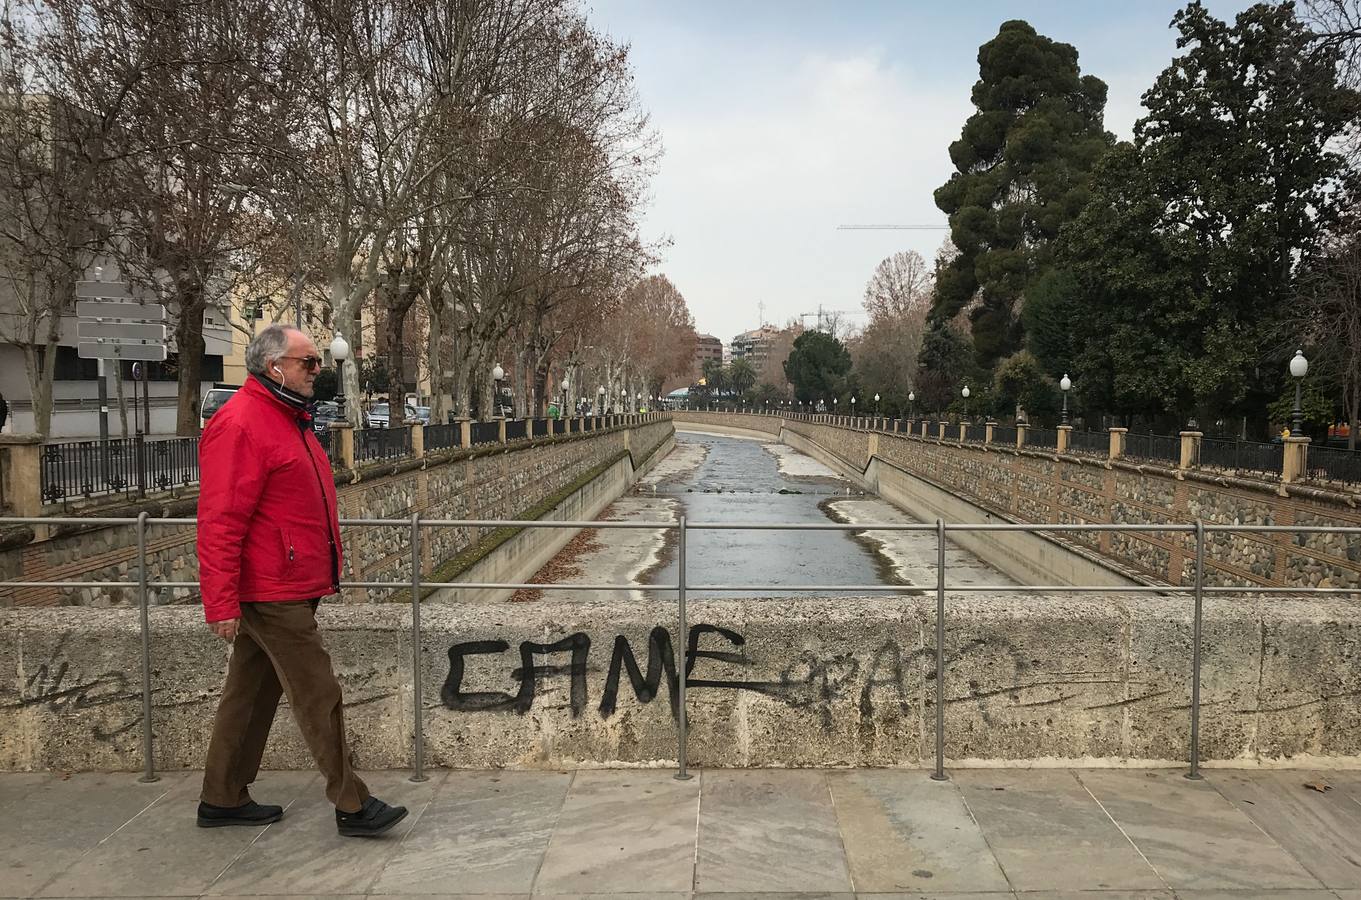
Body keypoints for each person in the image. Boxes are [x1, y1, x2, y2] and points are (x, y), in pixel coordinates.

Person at [196, 324, 407, 837]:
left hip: (289, 582)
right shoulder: (242, 424)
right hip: (271, 590)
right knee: (319, 692)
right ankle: (353, 804)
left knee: (249, 693)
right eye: (308, 361)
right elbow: (220, 520)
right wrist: (220, 601)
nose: (318, 370)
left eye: (317, 361)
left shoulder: (287, 418)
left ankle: (221, 798)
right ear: (275, 367)